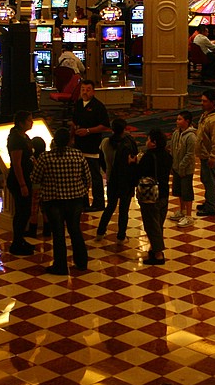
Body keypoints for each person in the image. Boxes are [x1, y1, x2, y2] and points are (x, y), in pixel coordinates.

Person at [30, 127, 92, 276]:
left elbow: (35, 178)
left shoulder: (45, 157)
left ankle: (60, 266)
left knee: (58, 233)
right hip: (75, 199)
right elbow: (87, 178)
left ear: (54, 141)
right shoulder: (77, 154)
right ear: (69, 141)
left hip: (53, 200)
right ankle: (81, 262)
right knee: (75, 230)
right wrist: (81, 191)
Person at [96, 118, 139, 241]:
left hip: (111, 179)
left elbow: (101, 160)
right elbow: (133, 161)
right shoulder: (128, 144)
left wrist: (106, 171)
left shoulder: (105, 142)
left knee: (110, 207)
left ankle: (100, 232)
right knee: (123, 210)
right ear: (124, 129)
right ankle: (121, 236)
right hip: (126, 181)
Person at [71, 80, 110, 211]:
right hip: (79, 145)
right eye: (83, 89)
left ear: (93, 91)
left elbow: (105, 126)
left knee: (94, 176)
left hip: (92, 146)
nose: (85, 92)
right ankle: (83, 203)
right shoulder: (78, 104)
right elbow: (74, 121)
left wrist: (88, 131)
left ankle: (98, 203)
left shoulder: (98, 106)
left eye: (88, 89)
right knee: (80, 175)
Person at [136, 128, 173, 265]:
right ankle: (154, 248)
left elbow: (140, 172)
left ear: (154, 143)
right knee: (158, 223)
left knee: (151, 225)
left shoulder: (149, 157)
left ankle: (158, 254)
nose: (146, 142)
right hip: (163, 193)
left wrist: (134, 162)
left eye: (148, 139)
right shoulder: (167, 155)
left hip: (151, 195)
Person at [6, 111, 36, 256]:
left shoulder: (24, 136)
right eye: (29, 120)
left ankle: (20, 239)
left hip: (26, 177)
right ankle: (16, 243)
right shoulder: (16, 139)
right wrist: (22, 185)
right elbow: (17, 164)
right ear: (21, 123)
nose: (32, 122)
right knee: (22, 212)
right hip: (18, 179)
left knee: (25, 211)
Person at [195, 89, 215, 217]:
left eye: (205, 101)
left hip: (210, 156)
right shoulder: (207, 115)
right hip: (205, 154)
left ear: (213, 102)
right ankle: (208, 202)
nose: (202, 103)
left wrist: (213, 156)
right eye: (202, 101)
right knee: (206, 179)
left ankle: (211, 206)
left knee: (210, 180)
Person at [169, 111, 197, 228]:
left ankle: (189, 216)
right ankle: (182, 211)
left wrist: (181, 166)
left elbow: (190, 154)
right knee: (179, 191)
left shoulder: (191, 136)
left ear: (187, 121)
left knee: (187, 192)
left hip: (186, 169)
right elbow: (172, 149)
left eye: (180, 119)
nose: (177, 121)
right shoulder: (176, 133)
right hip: (176, 167)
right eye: (177, 119)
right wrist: (172, 164)